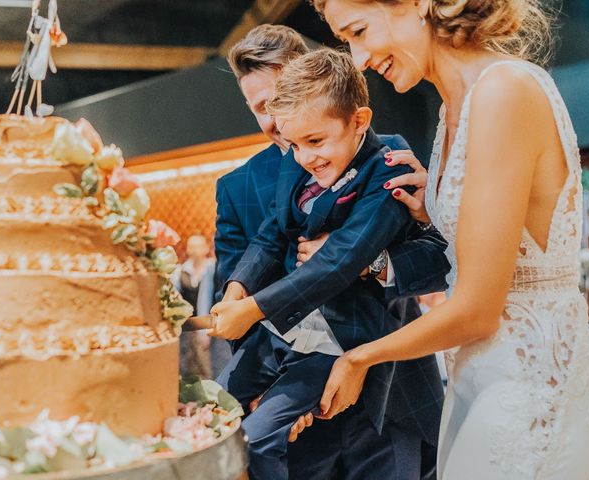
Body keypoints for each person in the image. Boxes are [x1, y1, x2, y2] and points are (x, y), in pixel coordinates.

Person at [309, 0, 589, 478]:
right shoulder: (454, 111)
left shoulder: (504, 91)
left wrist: (362, 357)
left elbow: (477, 310)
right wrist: (437, 206)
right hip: (482, 380)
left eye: (359, 31)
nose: (358, 58)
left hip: (528, 392)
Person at [215, 24, 449, 480]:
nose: (270, 120)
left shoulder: (392, 159)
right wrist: (270, 394)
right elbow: (235, 292)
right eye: (257, 108)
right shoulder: (236, 188)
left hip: (390, 395)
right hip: (296, 415)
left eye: (276, 99)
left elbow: (441, 263)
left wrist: (374, 262)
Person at [171, 234, 216, 378]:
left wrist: (204, 331)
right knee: (188, 365)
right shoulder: (180, 271)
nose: (195, 250)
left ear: (206, 248)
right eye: (192, 247)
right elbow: (175, 297)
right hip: (188, 326)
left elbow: (206, 298)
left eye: (199, 246)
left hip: (211, 324)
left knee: (210, 365)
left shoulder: (213, 268)